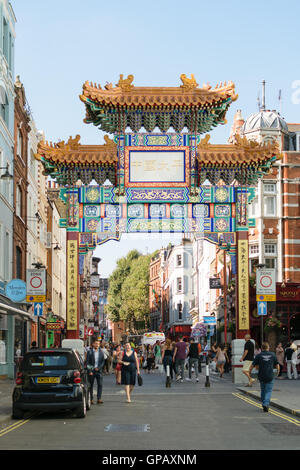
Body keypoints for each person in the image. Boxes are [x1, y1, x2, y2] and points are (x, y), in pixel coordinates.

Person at [249, 342, 280, 412]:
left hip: (261, 376)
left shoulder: (258, 355)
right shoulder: (273, 355)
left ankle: (264, 403)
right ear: (268, 348)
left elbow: (252, 365)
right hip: (270, 375)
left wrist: (249, 372)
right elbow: (277, 365)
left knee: (263, 390)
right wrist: (278, 372)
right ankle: (266, 404)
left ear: (262, 348)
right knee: (268, 391)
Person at [86, 338, 105, 404]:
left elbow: (103, 362)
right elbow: (87, 363)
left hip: (99, 371)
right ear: (93, 344)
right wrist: (90, 371)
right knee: (90, 385)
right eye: (96, 344)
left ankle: (99, 398)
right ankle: (91, 399)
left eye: (98, 344)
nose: (97, 345)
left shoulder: (101, 352)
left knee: (100, 384)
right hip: (92, 371)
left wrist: (99, 368)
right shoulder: (90, 352)